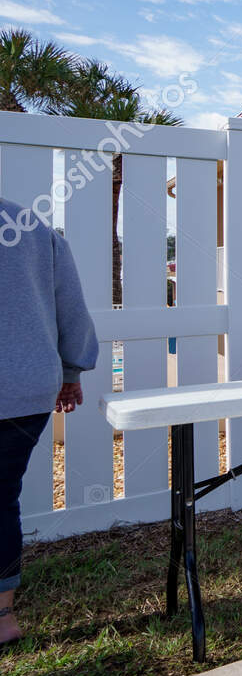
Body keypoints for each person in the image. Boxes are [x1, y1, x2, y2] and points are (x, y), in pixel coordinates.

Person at [1, 196, 100, 649]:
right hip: (26, 387)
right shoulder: (30, 225)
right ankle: (3, 616)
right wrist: (71, 371)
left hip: (23, 388)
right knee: (2, 498)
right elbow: (70, 306)